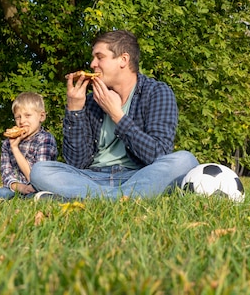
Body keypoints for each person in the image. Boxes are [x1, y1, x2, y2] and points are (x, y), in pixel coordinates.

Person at [30, 30, 199, 200]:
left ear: (123, 60)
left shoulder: (157, 92)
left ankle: (89, 198)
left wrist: (117, 115)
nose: (92, 64)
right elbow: (77, 163)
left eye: (99, 57)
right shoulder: (90, 101)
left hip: (138, 176)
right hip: (93, 178)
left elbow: (158, 154)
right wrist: (75, 110)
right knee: (40, 170)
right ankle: (121, 198)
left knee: (185, 161)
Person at [0, 92, 58, 201]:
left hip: (38, 188)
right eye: (18, 117)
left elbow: (38, 178)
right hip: (15, 189)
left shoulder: (45, 139)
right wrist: (19, 187)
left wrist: (15, 149)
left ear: (41, 116)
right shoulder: (7, 143)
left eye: (28, 115)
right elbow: (6, 173)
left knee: (39, 197)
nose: (22, 121)